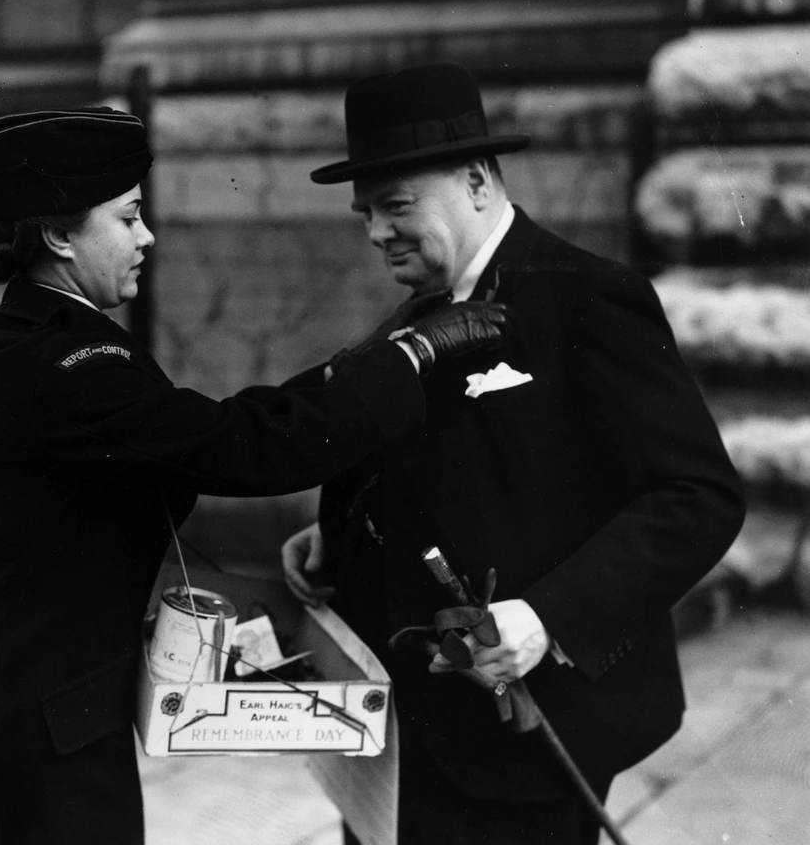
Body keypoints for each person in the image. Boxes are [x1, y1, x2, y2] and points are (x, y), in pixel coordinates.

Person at [0, 106, 513, 845]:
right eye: (127, 217)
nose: (145, 237)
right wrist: (409, 360)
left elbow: (211, 422)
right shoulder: (68, 367)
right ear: (58, 236)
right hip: (13, 737)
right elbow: (239, 446)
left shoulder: (45, 340)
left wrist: (369, 359)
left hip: (22, 706)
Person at [281, 63, 746, 844]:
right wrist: (341, 534)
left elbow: (696, 497)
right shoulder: (413, 315)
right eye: (365, 212)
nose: (374, 232)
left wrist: (542, 619)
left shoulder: (588, 297)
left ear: (473, 181)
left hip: (527, 738)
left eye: (394, 206)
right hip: (397, 732)